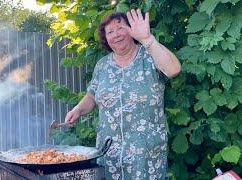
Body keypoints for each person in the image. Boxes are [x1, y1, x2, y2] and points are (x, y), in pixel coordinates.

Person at [64, 9, 181, 180]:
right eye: (110, 31)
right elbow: (92, 96)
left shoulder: (149, 56)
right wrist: (78, 110)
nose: (116, 35)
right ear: (106, 38)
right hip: (109, 154)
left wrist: (147, 39)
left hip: (146, 155)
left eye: (120, 28)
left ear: (132, 30)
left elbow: (173, 69)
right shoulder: (102, 65)